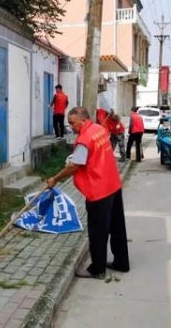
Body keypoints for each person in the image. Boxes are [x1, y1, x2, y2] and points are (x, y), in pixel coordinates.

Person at [46, 107, 130, 278]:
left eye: (72, 123)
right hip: (113, 184)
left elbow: (74, 165)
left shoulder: (84, 139)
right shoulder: (99, 129)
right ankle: (121, 262)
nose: (70, 127)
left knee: (98, 232)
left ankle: (97, 269)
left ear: (83, 120)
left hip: (98, 190)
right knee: (117, 227)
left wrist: (55, 178)